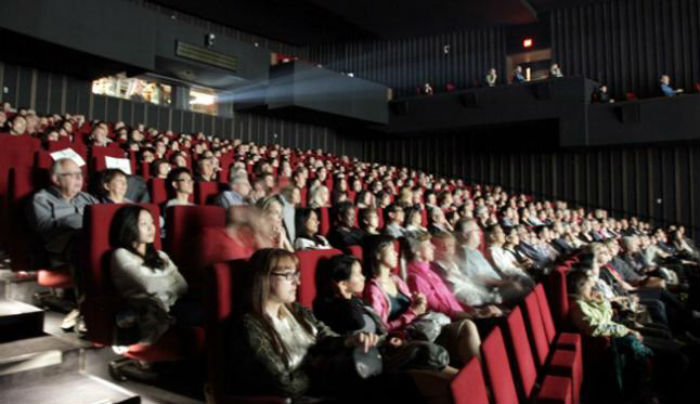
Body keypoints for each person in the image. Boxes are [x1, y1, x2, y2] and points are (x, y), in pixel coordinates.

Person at [228, 248, 383, 398]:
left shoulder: (297, 310)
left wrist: (350, 340)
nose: (298, 282)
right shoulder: (250, 325)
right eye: (289, 275)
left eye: (297, 274)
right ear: (265, 279)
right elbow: (284, 384)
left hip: (323, 385)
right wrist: (319, 367)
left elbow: (325, 338)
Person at [314, 254, 458, 403]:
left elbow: (382, 329)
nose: (363, 277)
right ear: (342, 284)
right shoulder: (333, 308)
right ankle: (468, 384)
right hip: (369, 363)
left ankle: (469, 383)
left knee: (428, 357)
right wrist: (345, 297)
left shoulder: (359, 301)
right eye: (357, 274)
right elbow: (355, 322)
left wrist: (392, 338)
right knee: (423, 353)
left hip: (386, 351)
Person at [568, 269, 690, 402]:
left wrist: (601, 302)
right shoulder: (578, 307)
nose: (593, 289)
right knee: (679, 357)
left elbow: (607, 318)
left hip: (621, 334)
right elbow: (596, 328)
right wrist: (626, 330)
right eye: (590, 286)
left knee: (671, 344)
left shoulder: (587, 302)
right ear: (581, 287)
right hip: (618, 344)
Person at [364, 236, 482, 365]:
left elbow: (416, 309)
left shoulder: (396, 279)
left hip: (421, 330)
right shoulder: (373, 290)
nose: (395, 253)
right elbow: (382, 329)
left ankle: (482, 374)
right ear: (377, 255)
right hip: (404, 341)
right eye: (391, 250)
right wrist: (412, 313)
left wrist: (419, 302)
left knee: (467, 325)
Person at [109, 206, 199, 347]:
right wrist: (170, 281)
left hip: (176, 306)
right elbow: (149, 286)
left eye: (152, 223)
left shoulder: (161, 255)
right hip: (153, 312)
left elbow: (183, 286)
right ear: (129, 226)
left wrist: (165, 287)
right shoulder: (120, 254)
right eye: (144, 224)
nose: (151, 228)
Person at [28, 158, 98, 268]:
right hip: (62, 248)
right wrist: (77, 221)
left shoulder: (87, 198)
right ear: (56, 179)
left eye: (81, 174)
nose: (80, 178)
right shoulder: (41, 199)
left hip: (91, 239)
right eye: (73, 175)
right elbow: (44, 228)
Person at [431, 231, 503, 308]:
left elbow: (473, 282)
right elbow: (460, 292)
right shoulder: (437, 269)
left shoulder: (455, 263)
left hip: (482, 297)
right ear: (433, 249)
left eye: (450, 246)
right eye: (442, 246)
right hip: (471, 305)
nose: (446, 249)